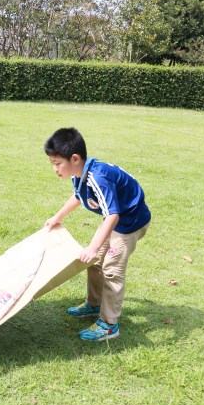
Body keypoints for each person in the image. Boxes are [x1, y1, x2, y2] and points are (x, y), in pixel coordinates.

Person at [43, 127, 151, 342]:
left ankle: (109, 325)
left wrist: (93, 247)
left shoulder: (98, 177)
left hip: (130, 223)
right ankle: (94, 304)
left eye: (57, 164)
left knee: (111, 269)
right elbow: (78, 196)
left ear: (75, 158)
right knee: (94, 262)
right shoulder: (79, 174)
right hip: (114, 219)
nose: (55, 169)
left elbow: (113, 215)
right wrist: (57, 217)